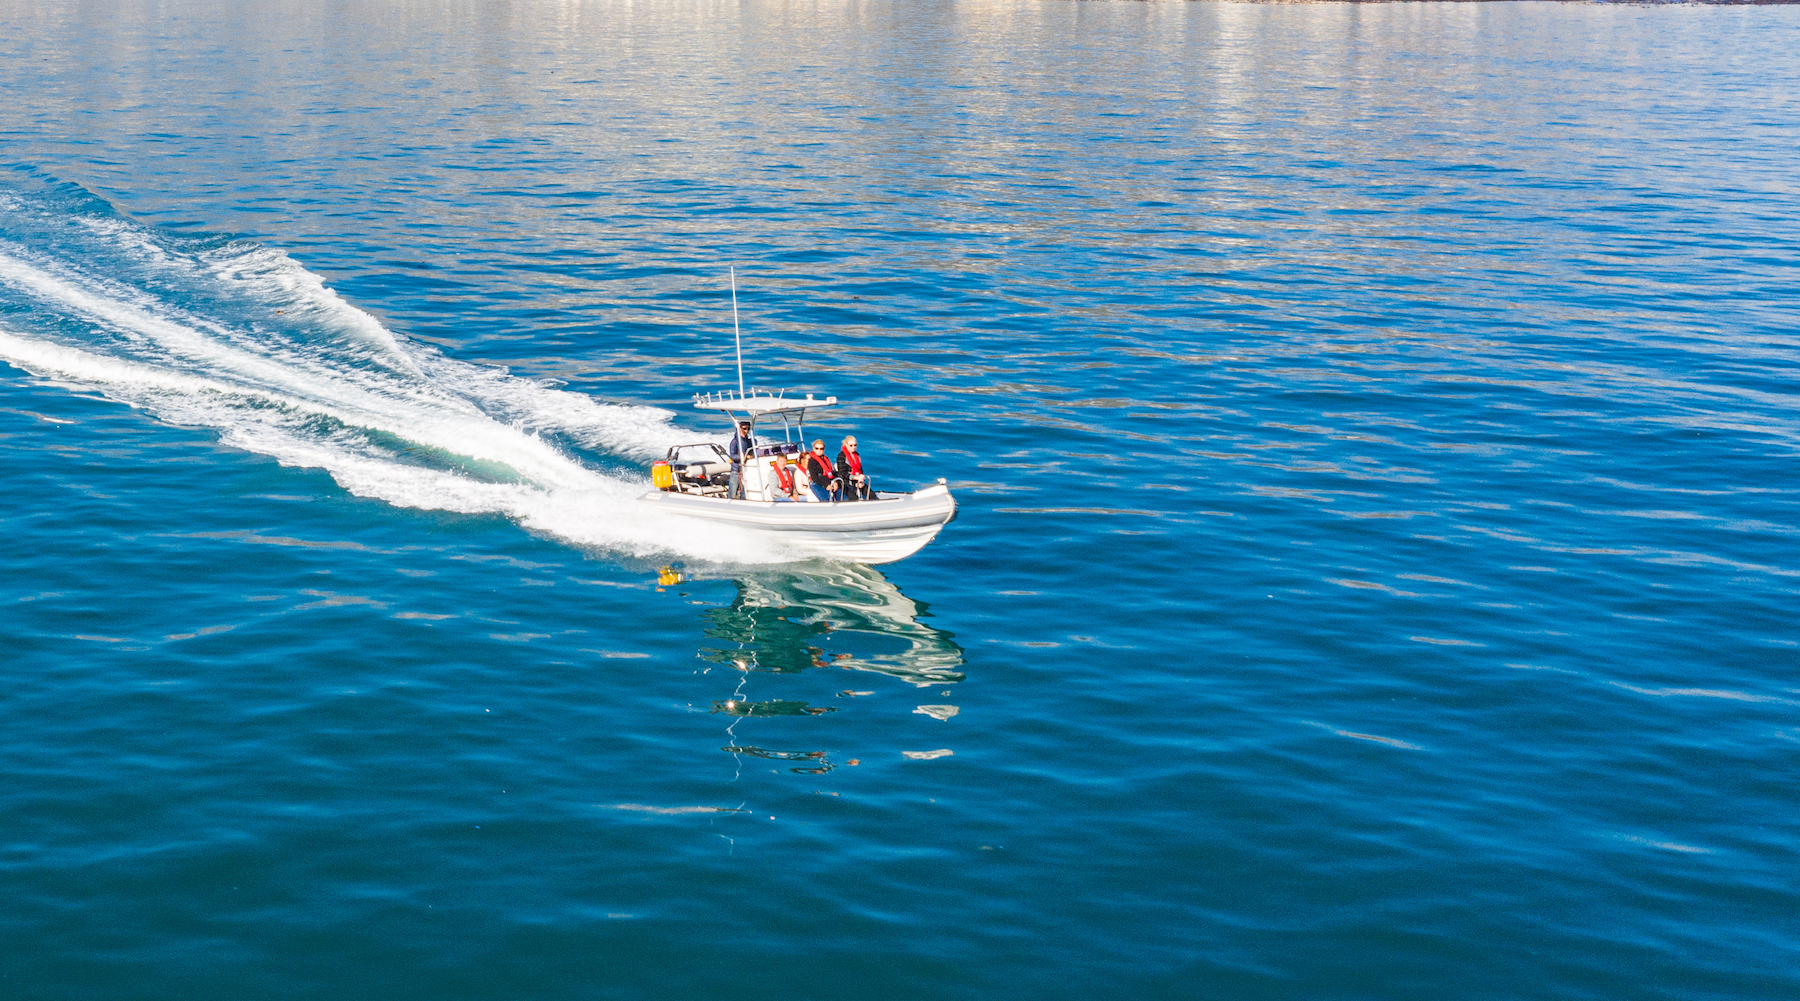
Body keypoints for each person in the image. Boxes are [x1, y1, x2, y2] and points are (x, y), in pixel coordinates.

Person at [726, 420, 755, 499]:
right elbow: (732, 456)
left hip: (746, 468)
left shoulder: (749, 441)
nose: (747, 431)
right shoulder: (734, 442)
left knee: (745, 490)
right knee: (733, 490)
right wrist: (744, 457)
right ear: (740, 429)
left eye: (748, 429)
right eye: (745, 428)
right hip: (736, 469)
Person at [836, 435, 870, 500]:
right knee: (854, 497)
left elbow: (860, 469)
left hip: (857, 481)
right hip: (846, 482)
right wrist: (854, 477)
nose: (853, 447)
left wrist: (861, 480)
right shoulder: (841, 456)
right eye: (851, 445)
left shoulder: (856, 455)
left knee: (871, 495)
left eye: (855, 445)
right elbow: (842, 473)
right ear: (846, 445)